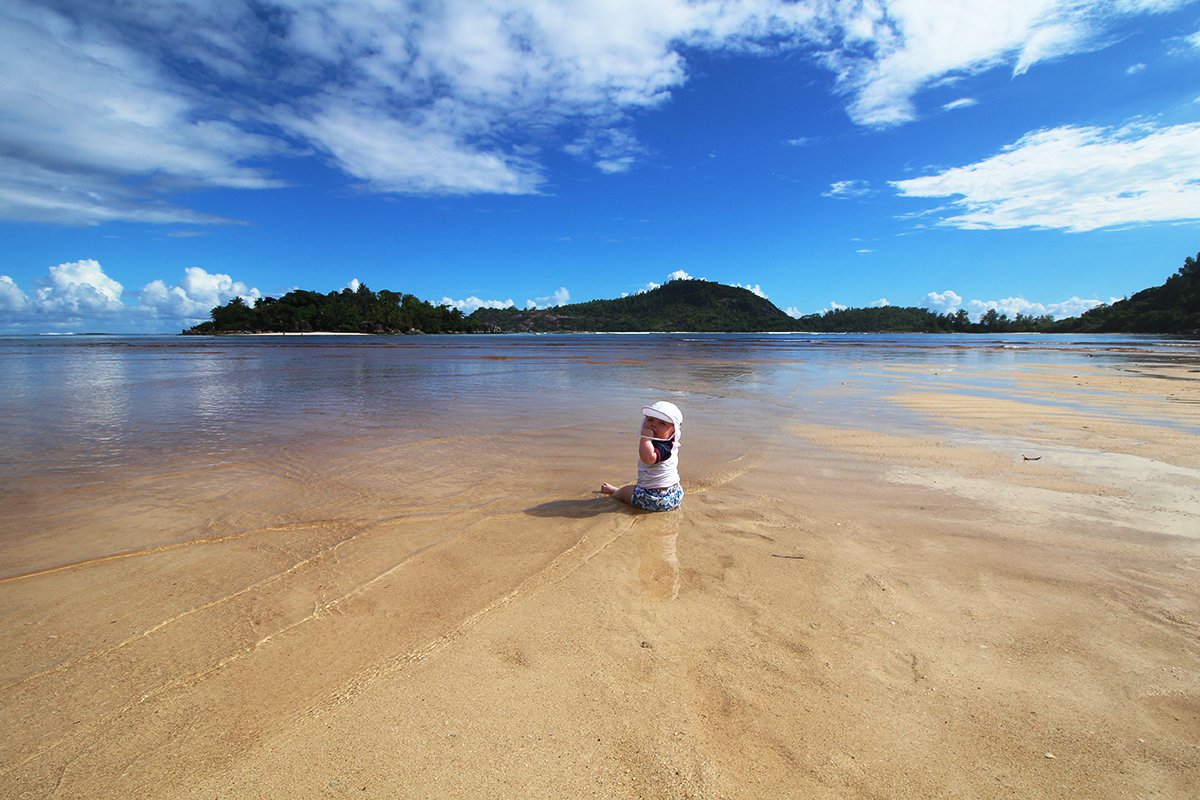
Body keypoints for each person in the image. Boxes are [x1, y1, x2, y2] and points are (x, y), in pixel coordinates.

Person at [600, 400, 684, 512]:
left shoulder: (664, 447)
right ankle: (622, 491)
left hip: (654, 499)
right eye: (650, 419)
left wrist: (645, 438)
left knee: (626, 492)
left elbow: (648, 459)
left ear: (673, 431)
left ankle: (616, 492)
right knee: (632, 489)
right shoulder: (671, 444)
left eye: (662, 423)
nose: (653, 424)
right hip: (675, 494)